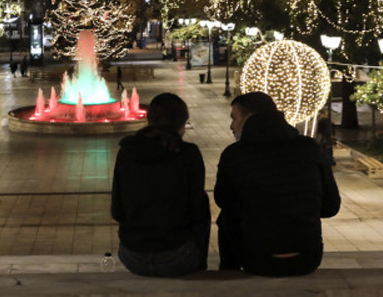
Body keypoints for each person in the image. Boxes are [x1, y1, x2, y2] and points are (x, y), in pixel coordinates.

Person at [214, 92, 341, 277]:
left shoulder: (234, 154)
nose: (231, 126)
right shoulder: (310, 148)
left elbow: (223, 201)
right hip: (307, 257)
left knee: (225, 217)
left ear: (249, 117)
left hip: (257, 259)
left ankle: (228, 271)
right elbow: (331, 207)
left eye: (234, 118)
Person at [111, 93, 210, 277]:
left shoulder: (127, 152)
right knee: (203, 201)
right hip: (178, 256)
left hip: (133, 256)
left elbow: (117, 211)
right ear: (181, 123)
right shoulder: (188, 154)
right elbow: (197, 209)